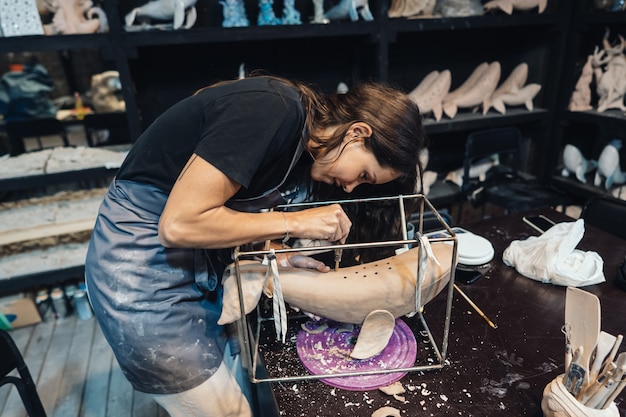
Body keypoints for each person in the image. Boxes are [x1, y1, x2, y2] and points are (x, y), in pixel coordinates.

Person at [85, 74, 427, 417]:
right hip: (140, 270)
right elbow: (179, 224)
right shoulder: (270, 109)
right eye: (364, 174)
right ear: (358, 133)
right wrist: (294, 222)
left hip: (197, 260)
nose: (352, 188)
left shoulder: (300, 141)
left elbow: (226, 205)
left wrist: (274, 249)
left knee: (230, 382)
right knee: (228, 411)